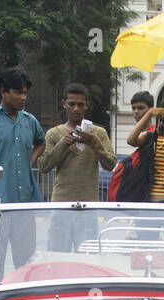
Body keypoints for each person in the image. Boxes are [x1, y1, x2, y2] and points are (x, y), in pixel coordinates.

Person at [0, 68, 45, 268]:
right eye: (18, 92)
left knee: (24, 263)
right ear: (3, 92)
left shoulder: (29, 121)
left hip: (24, 205)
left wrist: (30, 159)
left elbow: (42, 142)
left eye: (25, 93)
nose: (23, 97)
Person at [38, 82, 116, 250]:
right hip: (61, 205)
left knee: (86, 258)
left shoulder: (99, 133)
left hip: (88, 206)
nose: (76, 109)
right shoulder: (54, 133)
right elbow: (43, 166)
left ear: (86, 106)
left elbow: (110, 164)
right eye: (71, 104)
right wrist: (63, 144)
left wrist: (94, 143)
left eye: (80, 104)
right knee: (58, 255)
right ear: (64, 104)